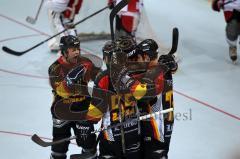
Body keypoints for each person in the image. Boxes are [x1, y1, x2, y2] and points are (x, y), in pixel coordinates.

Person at [86, 36, 166, 159]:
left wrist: (85, 123)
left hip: (114, 140)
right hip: (131, 137)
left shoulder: (105, 78)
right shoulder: (135, 73)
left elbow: (94, 115)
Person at [48, 35, 100, 159]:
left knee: (89, 147)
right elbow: (62, 91)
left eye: (78, 48)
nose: (77, 51)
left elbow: (100, 79)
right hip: (62, 111)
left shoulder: (86, 63)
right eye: (73, 49)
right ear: (65, 51)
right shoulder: (55, 68)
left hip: (82, 109)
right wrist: (71, 78)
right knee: (58, 150)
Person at [128, 39, 177, 159]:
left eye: (138, 57)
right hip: (164, 124)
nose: (137, 60)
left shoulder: (153, 74)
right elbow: (172, 67)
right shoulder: (163, 69)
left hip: (155, 131)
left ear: (146, 57)